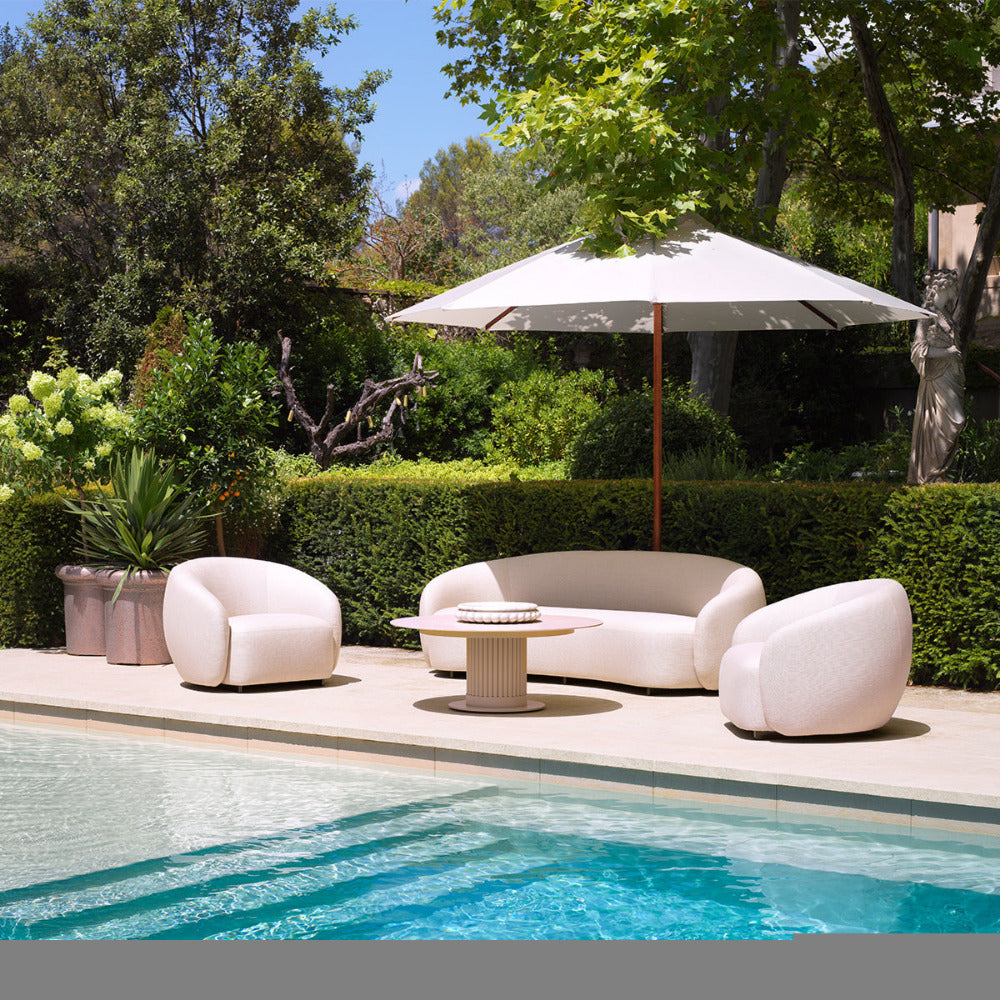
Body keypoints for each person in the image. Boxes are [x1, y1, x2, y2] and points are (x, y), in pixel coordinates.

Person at [908, 268, 964, 485]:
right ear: (944, 286)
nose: (956, 289)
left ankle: (937, 474)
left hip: (951, 376)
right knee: (955, 420)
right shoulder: (927, 315)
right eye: (954, 285)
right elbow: (918, 350)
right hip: (938, 378)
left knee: (951, 424)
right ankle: (931, 473)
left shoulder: (944, 314)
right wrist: (947, 353)